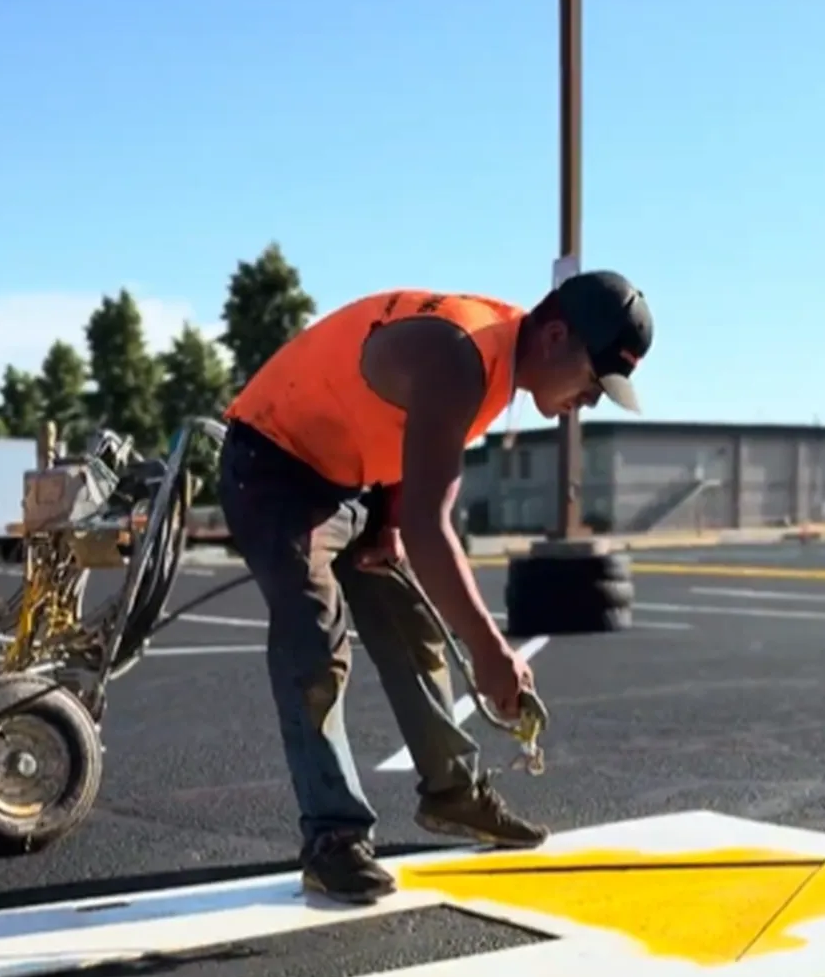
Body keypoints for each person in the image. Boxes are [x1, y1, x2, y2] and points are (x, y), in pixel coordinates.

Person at [219, 268, 653, 904]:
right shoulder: (464, 356)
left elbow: (401, 432)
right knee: (314, 637)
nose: (588, 403)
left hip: (347, 478)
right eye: (593, 383)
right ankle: (333, 838)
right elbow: (432, 527)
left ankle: (453, 793)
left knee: (410, 616)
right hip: (272, 466)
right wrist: (490, 651)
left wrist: (387, 518)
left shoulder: (501, 356)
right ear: (556, 335)